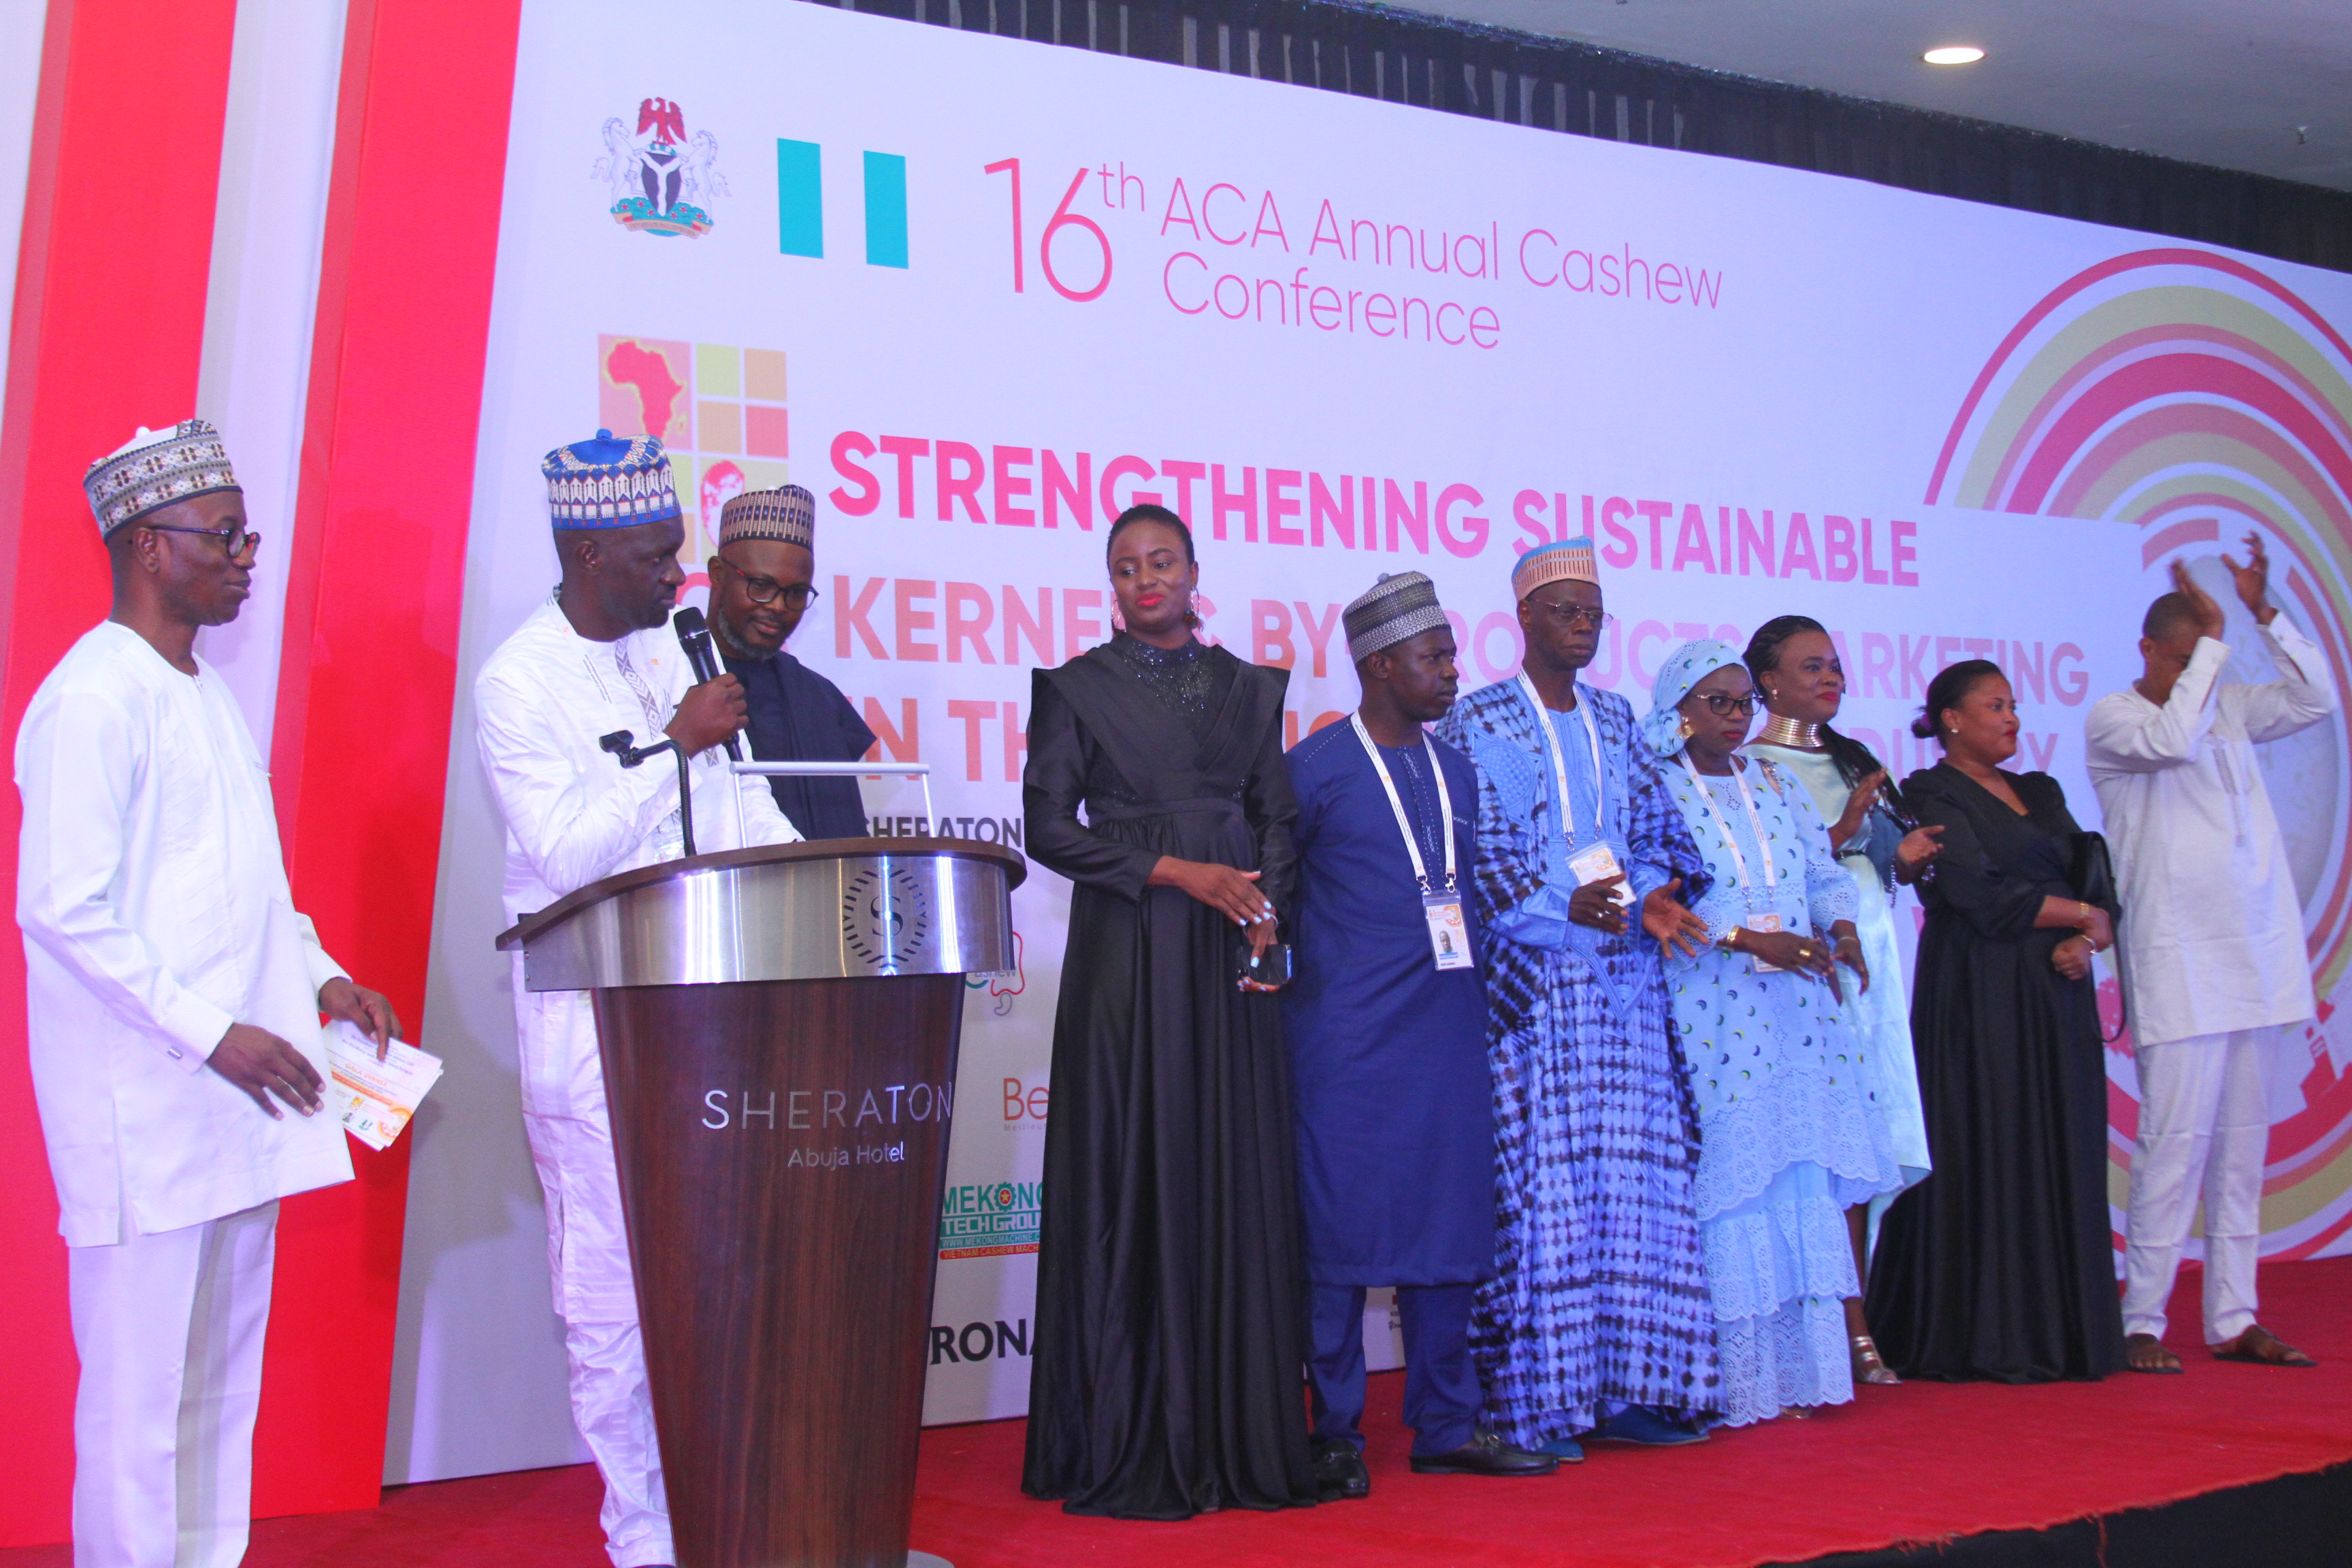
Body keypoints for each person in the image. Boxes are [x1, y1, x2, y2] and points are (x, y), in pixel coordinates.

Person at [18, 420, 399, 1567]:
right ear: (148, 545)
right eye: (224, 535)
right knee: (137, 1403)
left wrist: (322, 974)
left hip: (244, 1093)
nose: (245, 557)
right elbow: (63, 908)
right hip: (146, 1106)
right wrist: (210, 1033)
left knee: (219, 1387)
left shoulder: (206, 694)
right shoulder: (95, 696)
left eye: (248, 536)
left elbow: (248, 890)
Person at [476, 429, 799, 1568]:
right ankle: (645, 1533)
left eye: (676, 552)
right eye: (657, 557)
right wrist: (673, 743)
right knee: (612, 1297)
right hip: (595, 1033)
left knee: (723, 1281)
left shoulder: (674, 644)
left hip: (716, 1022)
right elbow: (566, 851)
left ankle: (728, 1505)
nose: (678, 576)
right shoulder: (516, 681)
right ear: (588, 553)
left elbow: (741, 809)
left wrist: (831, 879)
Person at [1019, 504, 1316, 1518]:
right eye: (1125, 568)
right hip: (1130, 947)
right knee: (1133, 1155)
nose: (1145, 580)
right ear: (1111, 585)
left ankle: (1237, 1430)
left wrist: (1268, 916)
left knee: (1229, 1160)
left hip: (1231, 947)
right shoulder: (1076, 689)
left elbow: (1277, 817)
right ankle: (1131, 1428)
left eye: (1161, 563)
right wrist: (1178, 872)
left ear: (1194, 573)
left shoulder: (1249, 688)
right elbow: (1047, 828)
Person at [1435, 538, 1719, 1460]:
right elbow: (1474, 854)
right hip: (1536, 992)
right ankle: (1535, 1405)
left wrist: (1658, 894)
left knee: (1633, 1195)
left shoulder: (1616, 715)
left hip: (1625, 988)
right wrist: (1565, 907)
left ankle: (1629, 1391)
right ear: (1524, 617)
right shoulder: (1478, 720)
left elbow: (1660, 830)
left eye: (1594, 613)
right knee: (1544, 1198)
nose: (1583, 627)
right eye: (1565, 612)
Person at [1282, 572, 1557, 1498]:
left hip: (1446, 1038)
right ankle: (1334, 1437)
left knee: (1449, 1233)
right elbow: (1275, 904)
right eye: (1433, 657)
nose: (1452, 671)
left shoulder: (1458, 770)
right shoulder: (1312, 771)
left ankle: (1445, 1425)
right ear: (1379, 665)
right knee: (1336, 1242)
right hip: (1345, 1044)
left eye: (1450, 654)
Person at [1645, 641, 1907, 1425]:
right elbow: (1658, 890)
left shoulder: (1776, 781)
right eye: (1717, 702)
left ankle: (1801, 1372)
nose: (1734, 717)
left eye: (1743, 704)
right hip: (1712, 1009)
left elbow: (1821, 874)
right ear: (1679, 710)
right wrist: (1750, 938)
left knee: (1796, 1171)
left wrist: (1842, 929)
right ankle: (1738, 1380)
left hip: (1796, 1009)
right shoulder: (1657, 787)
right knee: (1735, 1179)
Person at [2089, 544, 2335, 1372]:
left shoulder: (2228, 705)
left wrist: (2262, 618)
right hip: (2181, 963)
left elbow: (2315, 697)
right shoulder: (2116, 719)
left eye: (2206, 659)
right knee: (2174, 1143)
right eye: (2188, 657)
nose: (2202, 671)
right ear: (2149, 650)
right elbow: (2170, 740)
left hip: (2258, 955)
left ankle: (2234, 1317)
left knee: (2241, 1151)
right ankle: (2143, 1319)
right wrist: (2214, 645)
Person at [1865, 659, 2125, 1383]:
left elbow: (2091, 876)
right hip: (1980, 989)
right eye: (1995, 706)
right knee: (1992, 1135)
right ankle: (1984, 1334)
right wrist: (2081, 915)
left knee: (2062, 1139)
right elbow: (1976, 894)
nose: (2012, 718)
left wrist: (2088, 937)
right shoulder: (1929, 791)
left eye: (2014, 705)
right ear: (1951, 718)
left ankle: (2063, 1332)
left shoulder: (2040, 790)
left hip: (2056, 988)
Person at [1744, 615, 1942, 1386]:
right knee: (1825, 1147)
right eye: (1811, 666)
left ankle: (1860, 1320)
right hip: (1809, 976)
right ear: (1767, 682)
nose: (1831, 677)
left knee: (1869, 1142)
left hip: (1874, 969)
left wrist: (1904, 853)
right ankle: (1833, 1329)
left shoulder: (1853, 758)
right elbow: (1771, 872)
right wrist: (1849, 829)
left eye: (1834, 664)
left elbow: (1877, 866)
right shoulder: (1753, 766)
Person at [704, 483, 877, 839]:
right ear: (718, 573)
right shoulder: (670, 676)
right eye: (761, 586)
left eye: (796, 593)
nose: (778, 607)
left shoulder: (819, 697)